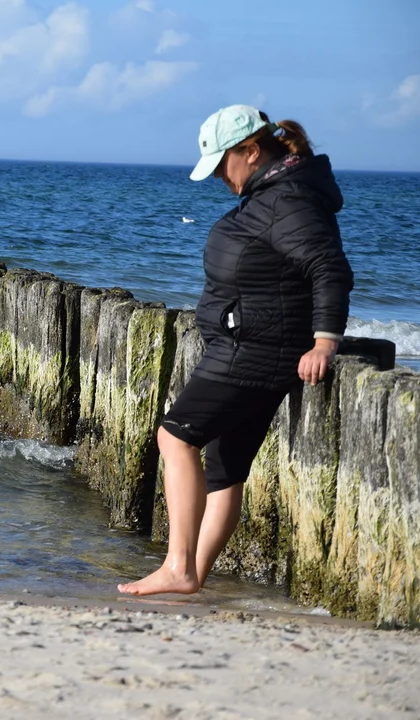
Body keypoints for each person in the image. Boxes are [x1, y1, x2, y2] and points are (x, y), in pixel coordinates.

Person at [118, 105, 354, 596]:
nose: (221, 179)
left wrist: (325, 343)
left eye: (223, 165)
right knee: (225, 467)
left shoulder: (286, 199)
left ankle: (178, 566)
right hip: (255, 344)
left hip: (254, 350)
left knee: (175, 437)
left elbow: (328, 268)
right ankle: (192, 577)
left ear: (251, 151)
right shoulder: (279, 193)